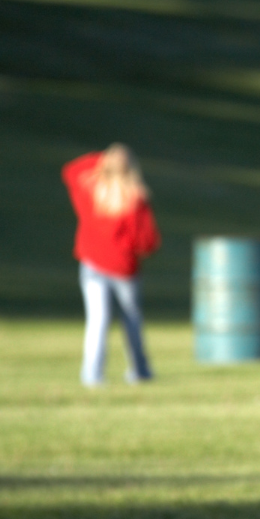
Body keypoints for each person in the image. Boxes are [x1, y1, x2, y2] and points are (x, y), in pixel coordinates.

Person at [62, 143, 160, 387]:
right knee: (132, 321)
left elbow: (71, 170)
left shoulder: (89, 192)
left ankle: (92, 375)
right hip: (125, 269)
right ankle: (140, 371)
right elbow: (148, 241)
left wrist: (102, 158)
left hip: (92, 265)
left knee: (98, 321)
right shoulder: (135, 199)